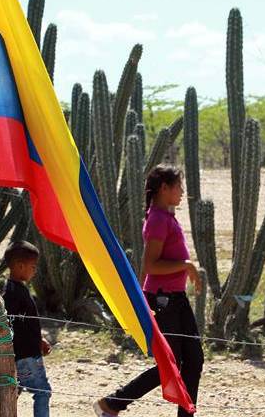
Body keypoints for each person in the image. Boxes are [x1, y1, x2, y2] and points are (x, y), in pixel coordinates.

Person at [94, 164, 204, 417]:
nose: (182, 191)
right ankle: (113, 403)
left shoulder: (165, 216)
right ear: (164, 188)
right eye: (178, 186)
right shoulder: (156, 220)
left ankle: (184, 413)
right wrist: (186, 266)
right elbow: (150, 265)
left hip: (176, 298)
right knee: (170, 363)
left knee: (194, 360)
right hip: (164, 299)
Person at [0, 240, 52, 417]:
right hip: (27, 356)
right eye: (33, 266)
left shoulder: (16, 290)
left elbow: (24, 324)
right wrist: (31, 346)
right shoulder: (14, 294)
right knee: (42, 392)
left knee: (10, 392)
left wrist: (38, 340)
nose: (35, 270)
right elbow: (12, 324)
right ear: (20, 266)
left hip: (23, 353)